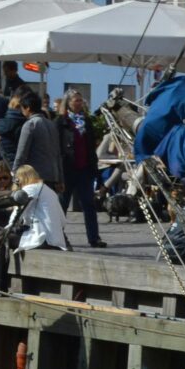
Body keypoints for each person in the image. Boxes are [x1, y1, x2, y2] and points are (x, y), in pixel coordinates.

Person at [58, 87, 104, 248]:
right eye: (76, 100)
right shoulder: (62, 121)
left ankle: (94, 237)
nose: (79, 102)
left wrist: (96, 172)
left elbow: (91, 147)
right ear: (68, 102)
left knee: (88, 204)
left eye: (80, 100)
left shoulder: (86, 121)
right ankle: (58, 236)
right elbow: (58, 147)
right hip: (68, 169)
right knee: (62, 205)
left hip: (85, 169)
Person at [11, 93, 66, 196]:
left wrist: (15, 174)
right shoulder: (51, 124)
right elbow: (58, 154)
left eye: (22, 108)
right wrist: (60, 178)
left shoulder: (30, 125)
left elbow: (21, 153)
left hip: (34, 177)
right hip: (52, 176)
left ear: (27, 108)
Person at [11, 163, 70, 252]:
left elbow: (17, 213)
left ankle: (0, 266)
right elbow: (63, 221)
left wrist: (9, 227)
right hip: (56, 241)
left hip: (41, 239)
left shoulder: (29, 189)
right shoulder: (51, 191)